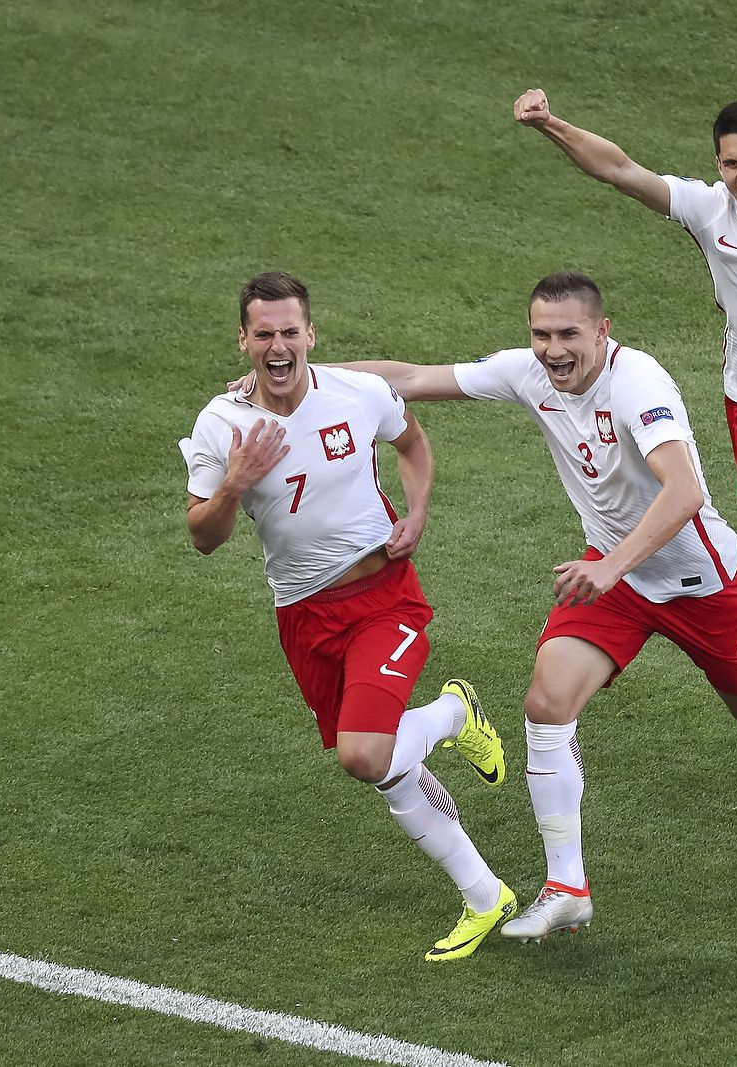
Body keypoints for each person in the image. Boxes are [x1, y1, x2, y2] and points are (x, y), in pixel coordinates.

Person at [319, 272, 737, 942]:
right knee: (547, 701)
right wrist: (306, 380)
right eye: (541, 334)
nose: (553, 349)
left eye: (568, 334)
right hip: (614, 581)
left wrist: (609, 565)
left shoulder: (638, 383)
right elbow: (411, 378)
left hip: (697, 580)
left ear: (602, 330)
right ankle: (567, 884)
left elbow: (681, 492)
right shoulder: (527, 373)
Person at [514, 74, 737, 789]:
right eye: (731, 162)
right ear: (720, 166)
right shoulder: (710, 212)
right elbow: (620, 170)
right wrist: (551, 124)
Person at [180, 271, 517, 962]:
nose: (279, 345)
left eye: (290, 330)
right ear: (243, 340)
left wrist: (417, 510)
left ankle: (454, 718)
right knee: (376, 763)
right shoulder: (222, 426)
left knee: (367, 751)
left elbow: (413, 443)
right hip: (303, 615)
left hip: (383, 597)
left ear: (311, 334)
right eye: (264, 333)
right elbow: (203, 537)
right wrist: (234, 484)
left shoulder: (356, 393)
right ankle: (486, 893)